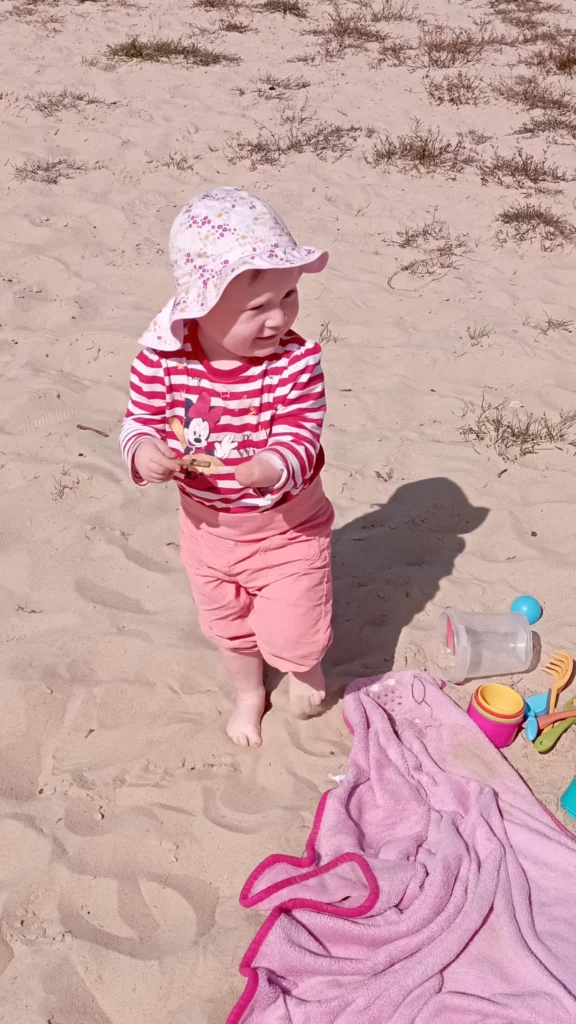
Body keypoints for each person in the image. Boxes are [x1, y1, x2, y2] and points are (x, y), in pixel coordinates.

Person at [120, 187, 333, 748]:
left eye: (289, 295)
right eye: (256, 308)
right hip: (206, 531)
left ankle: (303, 668)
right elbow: (139, 420)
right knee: (227, 624)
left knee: (296, 624)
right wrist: (143, 451)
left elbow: (303, 432)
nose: (278, 317)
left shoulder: (294, 362)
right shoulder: (162, 360)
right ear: (199, 304)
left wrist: (275, 463)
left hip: (287, 528)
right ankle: (248, 694)